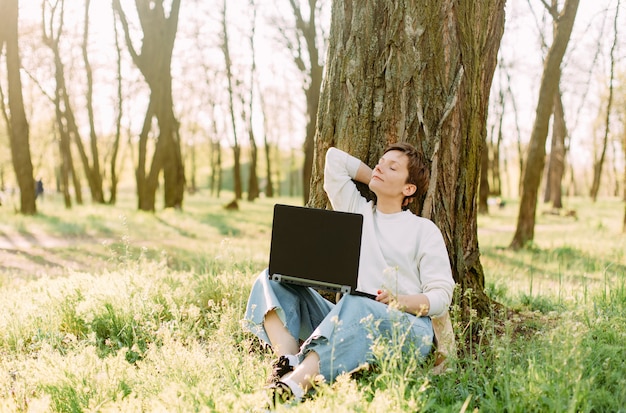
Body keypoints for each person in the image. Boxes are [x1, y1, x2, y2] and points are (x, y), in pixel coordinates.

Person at [243, 142, 455, 406]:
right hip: (348, 316)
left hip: (408, 328)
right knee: (271, 279)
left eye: (392, 167)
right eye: (380, 161)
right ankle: (288, 362)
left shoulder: (424, 230)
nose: (380, 166)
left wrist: (401, 300)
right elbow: (334, 160)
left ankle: (294, 386)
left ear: (408, 188)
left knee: (355, 303)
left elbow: (441, 297)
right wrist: (376, 177)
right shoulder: (357, 211)